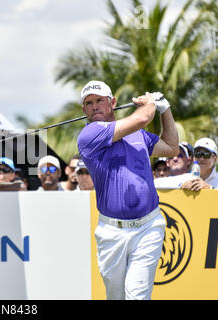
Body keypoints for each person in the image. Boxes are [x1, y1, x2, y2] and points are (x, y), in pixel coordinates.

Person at [77, 80, 178, 300]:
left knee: (137, 296)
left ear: (112, 103)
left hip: (148, 226)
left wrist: (165, 110)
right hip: (111, 232)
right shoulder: (89, 136)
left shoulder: (138, 135)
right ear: (83, 110)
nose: (94, 106)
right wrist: (150, 103)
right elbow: (142, 118)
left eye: (99, 101)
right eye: (89, 103)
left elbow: (171, 148)